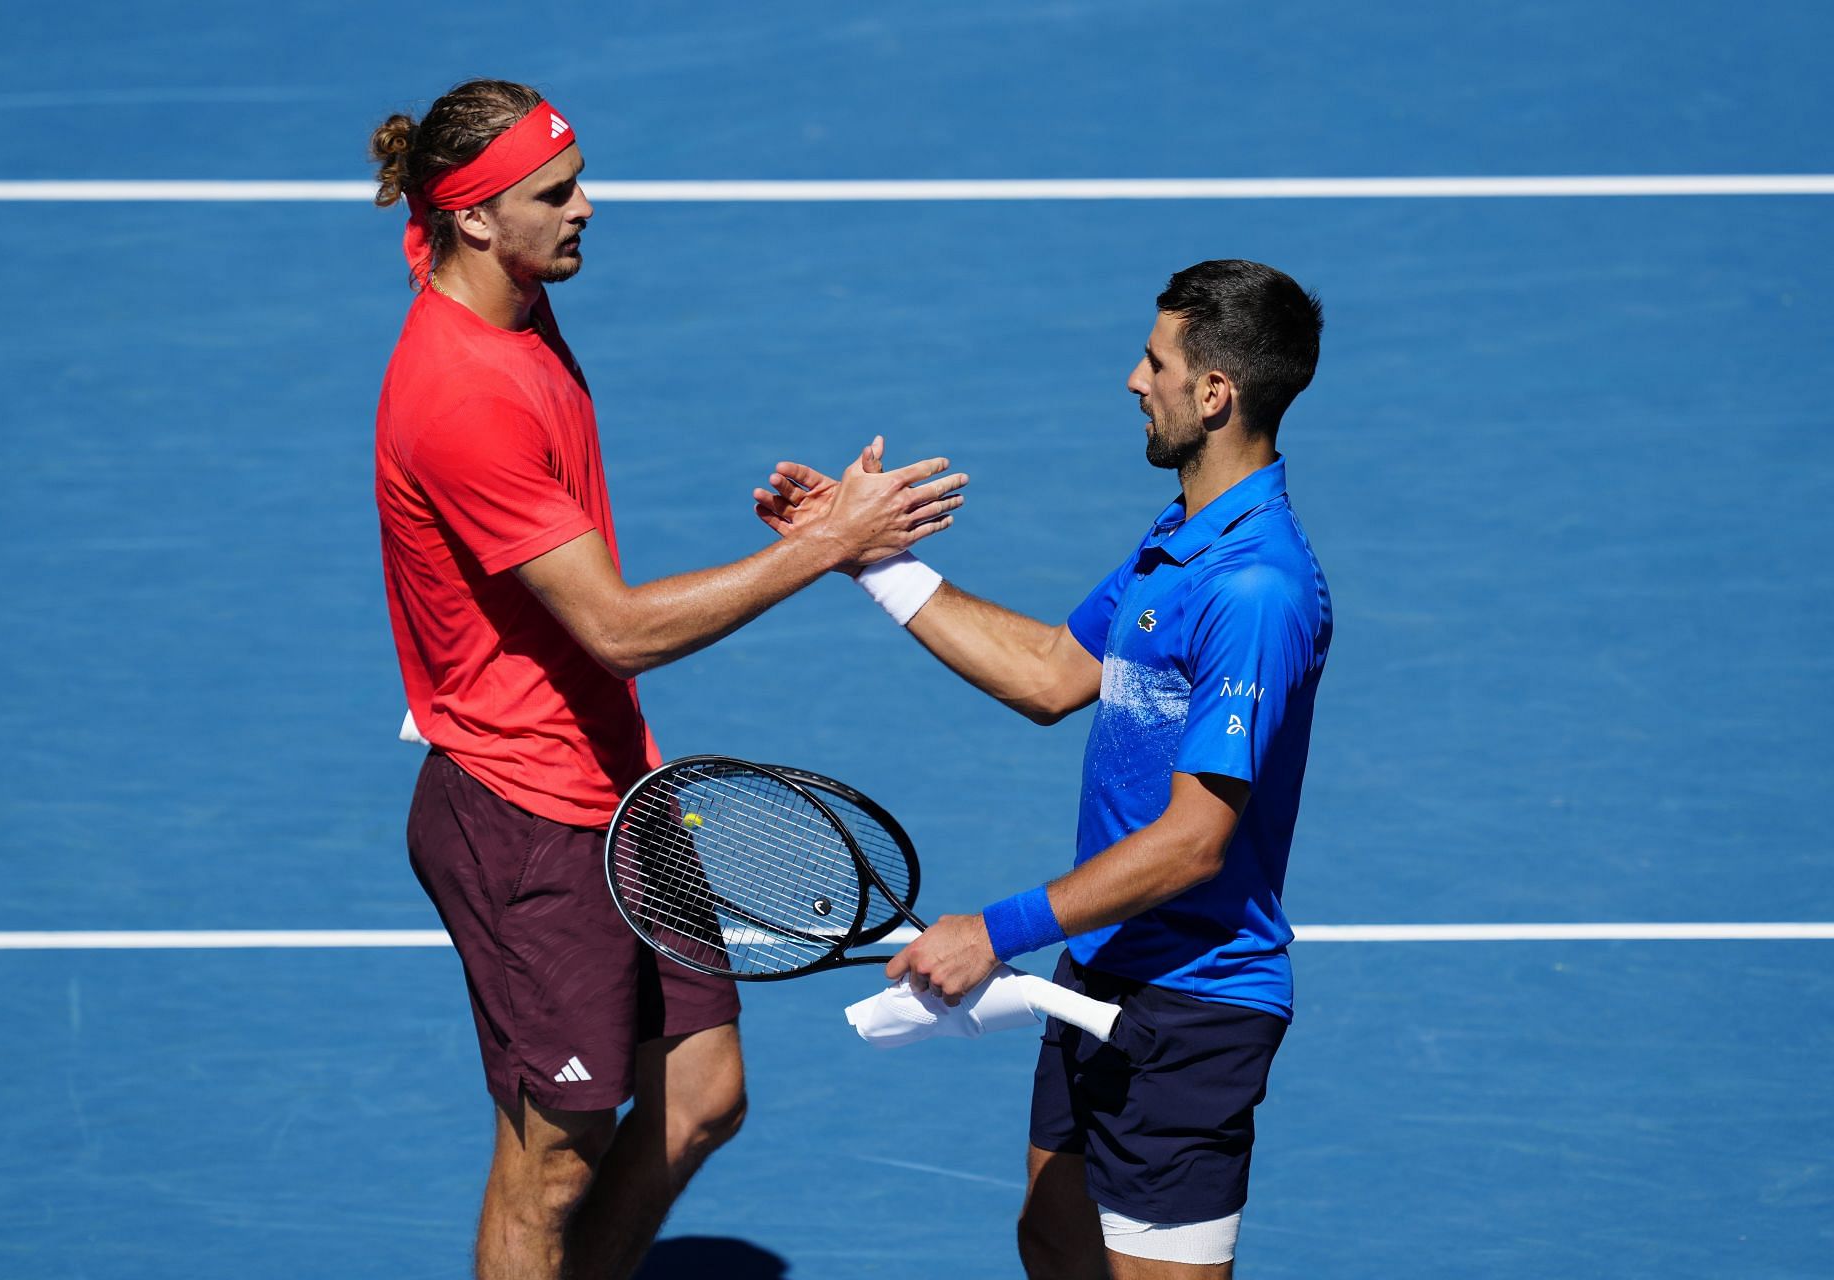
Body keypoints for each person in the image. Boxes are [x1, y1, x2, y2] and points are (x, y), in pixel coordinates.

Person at [368, 79, 966, 1280]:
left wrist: (800, 533)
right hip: (523, 815)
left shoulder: (511, 290)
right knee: (551, 1165)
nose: (589, 205)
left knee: (699, 1094)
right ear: (476, 218)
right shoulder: (463, 394)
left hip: (616, 782)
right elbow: (621, 631)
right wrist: (824, 544)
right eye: (557, 192)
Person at [756, 260, 1329, 1278]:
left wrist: (995, 928)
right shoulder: (1183, 540)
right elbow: (1048, 672)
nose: (1131, 379)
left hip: (1194, 1008)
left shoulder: (1256, 589)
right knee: (1055, 1243)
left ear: (1214, 393)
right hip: (1103, 967)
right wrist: (862, 556)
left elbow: (1198, 841)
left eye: (1156, 361)